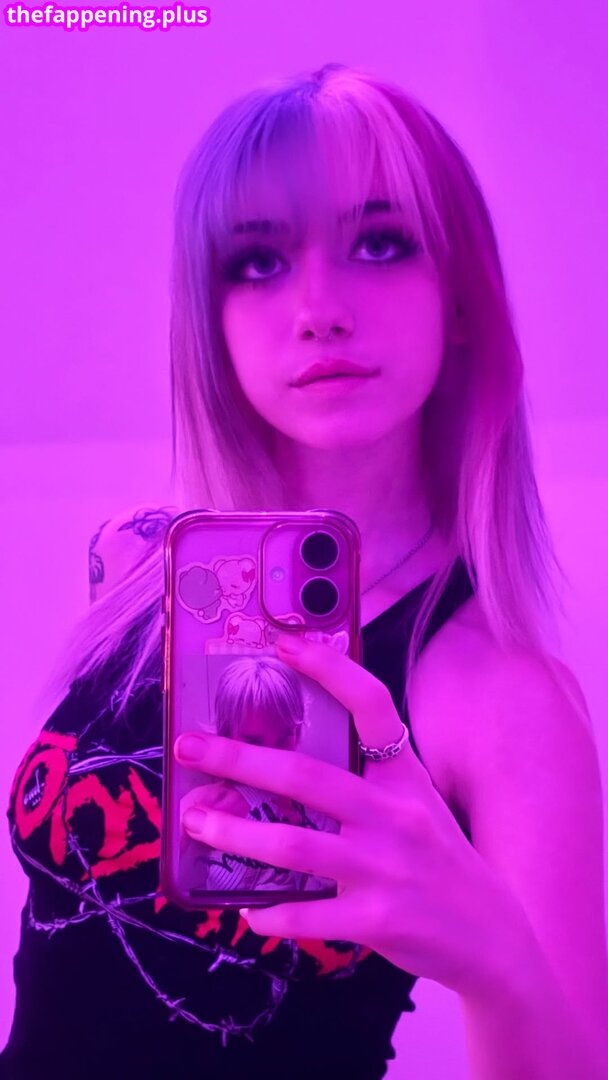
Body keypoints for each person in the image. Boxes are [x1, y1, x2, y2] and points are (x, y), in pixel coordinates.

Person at [2, 61, 607, 1080]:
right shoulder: (135, 563)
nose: (319, 308)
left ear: (459, 296)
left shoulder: (502, 698)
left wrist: (495, 964)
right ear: (211, 316)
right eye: (258, 261)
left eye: (379, 243)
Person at [179, 655, 338, 893]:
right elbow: (170, 885)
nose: (270, 756)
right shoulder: (201, 804)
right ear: (226, 735)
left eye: (283, 739)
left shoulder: (318, 808)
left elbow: (336, 887)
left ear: (297, 732)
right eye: (253, 742)